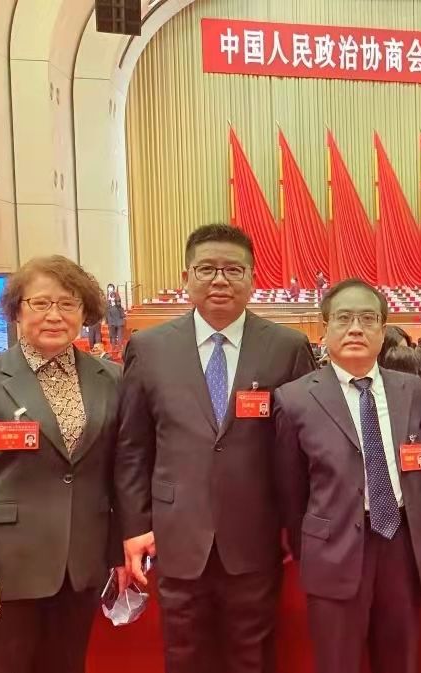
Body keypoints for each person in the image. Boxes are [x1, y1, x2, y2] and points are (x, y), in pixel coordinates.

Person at [115, 224, 316, 673]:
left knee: (253, 656)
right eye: (207, 269)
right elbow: (132, 447)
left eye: (233, 270)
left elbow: (299, 449)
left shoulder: (287, 347)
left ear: (252, 278)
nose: (220, 280)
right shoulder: (149, 348)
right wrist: (135, 525)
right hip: (175, 534)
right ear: (186, 277)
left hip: (256, 535)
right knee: (184, 656)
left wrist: (295, 524)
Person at [0, 256, 124, 673]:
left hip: (80, 568)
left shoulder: (110, 377)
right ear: (17, 310)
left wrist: (116, 553)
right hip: (5, 571)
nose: (54, 315)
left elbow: (117, 472)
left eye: (68, 303)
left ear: (85, 312)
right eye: (40, 303)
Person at [274, 279, 421, 673]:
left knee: (400, 661)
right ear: (324, 328)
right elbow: (290, 489)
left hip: (400, 546)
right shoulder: (294, 399)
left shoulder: (417, 392)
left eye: (368, 319)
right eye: (344, 318)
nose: (356, 329)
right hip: (333, 550)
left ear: (383, 329)